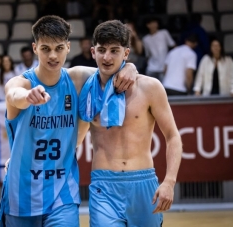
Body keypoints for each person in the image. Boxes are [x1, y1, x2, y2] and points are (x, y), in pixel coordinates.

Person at [0, 15, 136, 227]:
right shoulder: (22, 83)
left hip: (62, 195)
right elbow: (12, 93)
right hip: (21, 194)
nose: (53, 55)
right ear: (35, 48)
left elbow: (110, 68)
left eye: (59, 48)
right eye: (45, 49)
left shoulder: (77, 79)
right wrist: (27, 97)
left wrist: (129, 67)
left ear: (68, 47)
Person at [78, 20, 182, 226]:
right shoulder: (83, 86)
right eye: (102, 50)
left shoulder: (150, 87)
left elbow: (173, 136)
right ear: (92, 52)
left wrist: (169, 182)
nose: (107, 57)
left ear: (126, 53)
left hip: (143, 184)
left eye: (114, 51)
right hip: (103, 186)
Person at [143, 17, 175, 81]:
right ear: (148, 25)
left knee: (163, 88)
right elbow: (147, 55)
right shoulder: (145, 39)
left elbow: (173, 46)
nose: (154, 25)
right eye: (152, 23)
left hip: (163, 68)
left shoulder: (164, 33)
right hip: (151, 68)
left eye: (155, 23)